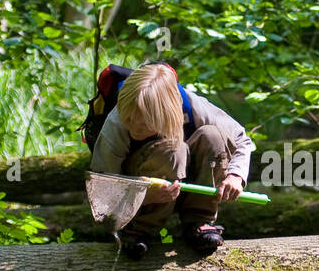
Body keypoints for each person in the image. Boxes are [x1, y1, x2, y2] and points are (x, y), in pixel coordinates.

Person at [87, 62, 254, 258]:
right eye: (129, 120)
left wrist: (235, 175)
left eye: (143, 125)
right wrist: (144, 196)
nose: (134, 128)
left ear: (166, 114)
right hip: (135, 195)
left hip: (185, 181)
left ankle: (199, 221)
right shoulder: (116, 123)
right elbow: (101, 191)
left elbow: (242, 139)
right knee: (173, 150)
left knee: (213, 137)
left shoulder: (191, 106)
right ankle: (138, 229)